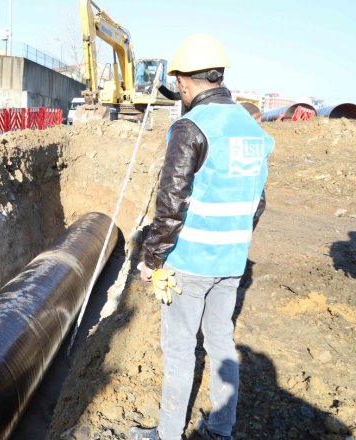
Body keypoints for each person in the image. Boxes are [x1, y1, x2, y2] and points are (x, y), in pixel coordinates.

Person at [130, 34, 274, 440]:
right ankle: (221, 431)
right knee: (221, 344)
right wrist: (233, 242)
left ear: (186, 82)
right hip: (231, 262)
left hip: (190, 263)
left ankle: (168, 434)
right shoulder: (251, 129)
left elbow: (171, 203)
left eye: (179, 83)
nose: (180, 90)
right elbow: (257, 202)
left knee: (178, 351)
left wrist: (152, 259)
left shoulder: (191, 127)